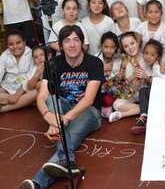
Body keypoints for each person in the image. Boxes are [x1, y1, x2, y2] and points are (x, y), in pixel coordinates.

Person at [19, 25, 104, 189]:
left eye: (76, 40)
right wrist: (48, 116)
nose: (72, 45)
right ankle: (67, 161)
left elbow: (88, 100)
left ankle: (37, 182)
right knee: (52, 97)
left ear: (82, 43)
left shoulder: (94, 63)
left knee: (70, 133)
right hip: (62, 109)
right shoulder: (53, 64)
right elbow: (42, 96)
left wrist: (59, 121)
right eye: (67, 41)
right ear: (61, 45)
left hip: (89, 112)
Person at [0, 30, 38, 114]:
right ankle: (24, 102)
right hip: (8, 86)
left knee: (35, 93)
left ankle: (3, 109)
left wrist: (17, 95)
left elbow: (30, 76)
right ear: (7, 46)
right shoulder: (5, 55)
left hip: (25, 87)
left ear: (24, 42)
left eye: (18, 43)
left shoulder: (31, 54)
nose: (15, 47)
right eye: (11, 44)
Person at [106, 32, 151, 123]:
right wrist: (132, 76)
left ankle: (121, 114)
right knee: (116, 104)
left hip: (144, 96)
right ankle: (141, 110)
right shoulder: (122, 61)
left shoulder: (146, 58)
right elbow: (121, 86)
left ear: (138, 42)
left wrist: (145, 77)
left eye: (132, 43)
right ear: (123, 49)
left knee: (151, 105)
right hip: (130, 95)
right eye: (126, 46)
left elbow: (154, 83)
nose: (130, 48)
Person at [130, 39, 164, 134]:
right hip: (155, 95)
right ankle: (144, 117)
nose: (148, 57)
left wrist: (146, 77)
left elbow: (158, 85)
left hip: (163, 96)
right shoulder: (148, 65)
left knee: (146, 90)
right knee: (143, 90)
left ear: (158, 57)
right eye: (146, 53)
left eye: (152, 55)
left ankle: (147, 117)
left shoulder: (158, 67)